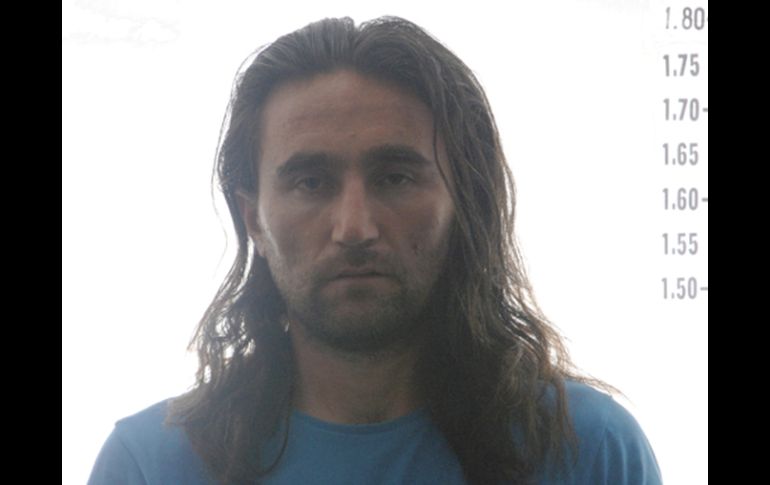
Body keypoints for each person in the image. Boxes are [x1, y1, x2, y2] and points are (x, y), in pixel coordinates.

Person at [88, 16, 662, 485]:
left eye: (395, 177)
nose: (355, 227)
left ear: (463, 203)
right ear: (253, 220)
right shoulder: (151, 466)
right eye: (311, 182)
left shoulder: (588, 451)